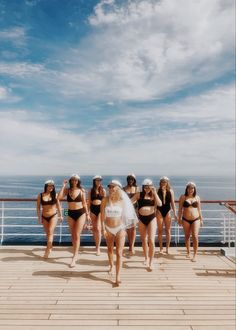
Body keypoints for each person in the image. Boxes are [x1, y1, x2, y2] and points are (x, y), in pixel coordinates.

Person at [101, 180, 138, 286]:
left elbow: (125, 216)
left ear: (118, 188)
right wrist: (103, 229)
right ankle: (111, 266)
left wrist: (125, 229)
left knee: (119, 253)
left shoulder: (123, 201)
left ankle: (118, 276)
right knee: (109, 250)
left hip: (120, 229)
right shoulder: (105, 200)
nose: (111, 188)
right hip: (108, 228)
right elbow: (102, 216)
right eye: (110, 187)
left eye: (113, 187)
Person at [58, 174, 90, 268]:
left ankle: (75, 256)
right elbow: (59, 198)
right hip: (69, 212)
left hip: (81, 213)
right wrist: (63, 186)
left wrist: (88, 215)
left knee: (76, 234)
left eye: (76, 180)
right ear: (70, 181)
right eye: (73, 180)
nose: (74, 181)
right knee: (72, 235)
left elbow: (84, 203)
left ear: (78, 181)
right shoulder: (67, 190)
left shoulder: (81, 191)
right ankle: (75, 251)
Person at [131, 179, 162, 270]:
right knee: (144, 240)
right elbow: (130, 201)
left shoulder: (153, 195)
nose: (147, 188)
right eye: (145, 187)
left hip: (151, 218)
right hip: (141, 219)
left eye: (149, 187)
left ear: (152, 186)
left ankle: (151, 262)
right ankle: (146, 258)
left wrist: (155, 193)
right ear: (143, 187)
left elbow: (160, 203)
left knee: (151, 240)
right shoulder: (138, 194)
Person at [37, 180, 63, 259]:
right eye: (49, 185)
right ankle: (50, 246)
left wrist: (61, 215)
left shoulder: (55, 195)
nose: (51, 187)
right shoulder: (40, 195)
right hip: (44, 216)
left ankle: (47, 250)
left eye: (52, 186)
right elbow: (38, 207)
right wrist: (39, 217)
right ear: (46, 186)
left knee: (50, 232)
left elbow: (58, 206)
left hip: (53, 216)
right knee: (47, 233)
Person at [178, 182, 203, 262]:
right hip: (185, 219)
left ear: (194, 189)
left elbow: (199, 209)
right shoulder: (183, 197)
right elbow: (180, 209)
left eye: (192, 188)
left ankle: (195, 254)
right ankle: (188, 252)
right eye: (189, 188)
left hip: (196, 219)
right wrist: (179, 219)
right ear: (186, 189)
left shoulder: (197, 197)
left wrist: (201, 219)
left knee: (195, 236)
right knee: (187, 236)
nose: (190, 190)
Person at [156, 176, 178, 254]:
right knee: (160, 230)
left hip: (168, 211)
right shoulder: (157, 190)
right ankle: (161, 248)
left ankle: (167, 248)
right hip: (159, 211)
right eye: (162, 181)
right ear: (160, 182)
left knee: (168, 230)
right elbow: (155, 203)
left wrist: (175, 213)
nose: (163, 183)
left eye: (165, 182)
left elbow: (172, 203)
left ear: (167, 182)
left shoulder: (171, 191)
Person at [88, 175, 106, 256]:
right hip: (93, 209)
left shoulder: (103, 190)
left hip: (100, 210)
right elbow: (89, 202)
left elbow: (105, 202)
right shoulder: (90, 190)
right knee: (94, 228)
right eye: (97, 180)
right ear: (94, 181)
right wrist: (87, 213)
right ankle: (96, 246)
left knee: (98, 228)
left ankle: (98, 248)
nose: (98, 182)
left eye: (99, 180)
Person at [123, 173, 139, 255]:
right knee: (127, 229)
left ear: (134, 180)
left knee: (133, 229)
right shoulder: (124, 189)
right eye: (129, 179)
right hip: (126, 211)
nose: (130, 180)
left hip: (134, 211)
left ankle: (131, 246)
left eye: (132, 179)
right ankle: (128, 245)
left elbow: (140, 201)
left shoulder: (137, 189)